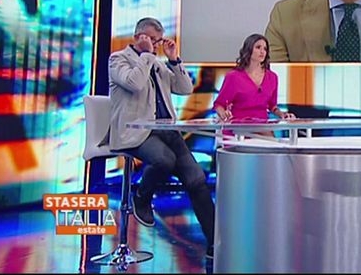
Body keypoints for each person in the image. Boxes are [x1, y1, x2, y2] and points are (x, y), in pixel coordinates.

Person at [108, 17, 214, 259]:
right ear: (138, 37)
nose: (155, 45)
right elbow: (134, 83)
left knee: (196, 179)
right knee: (164, 159)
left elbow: (185, 88)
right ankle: (141, 197)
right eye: (151, 40)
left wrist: (174, 60)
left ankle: (214, 243)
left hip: (167, 131)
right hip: (136, 132)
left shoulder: (157, 64)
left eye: (158, 41)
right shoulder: (118, 59)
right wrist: (147, 55)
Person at [213, 34, 295, 135]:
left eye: (265, 49)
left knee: (270, 139)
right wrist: (223, 114)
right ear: (249, 49)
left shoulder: (272, 77)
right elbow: (219, 104)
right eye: (258, 47)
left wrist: (282, 114)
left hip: (262, 127)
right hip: (238, 129)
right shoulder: (233, 77)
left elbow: (272, 106)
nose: (262, 51)